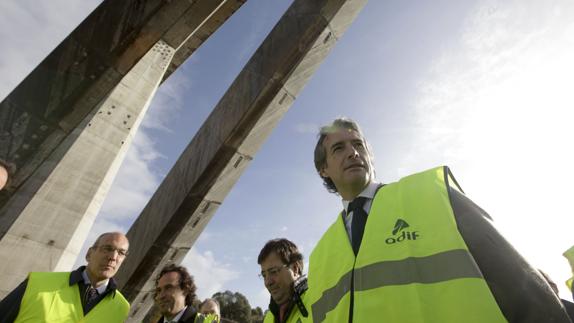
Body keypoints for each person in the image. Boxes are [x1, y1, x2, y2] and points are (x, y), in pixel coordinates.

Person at [306, 117, 572, 323]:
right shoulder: (320, 258)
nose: (352, 153)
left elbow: (518, 281)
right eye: (339, 148)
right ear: (324, 169)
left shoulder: (430, 192)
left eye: (358, 144)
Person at [0, 232, 130, 322]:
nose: (113, 257)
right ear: (89, 253)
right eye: (107, 248)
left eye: (121, 253)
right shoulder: (37, 283)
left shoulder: (122, 307)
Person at [258, 238, 308, 323]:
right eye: (264, 275)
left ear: (295, 268)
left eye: (273, 272)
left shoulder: (317, 300)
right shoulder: (269, 319)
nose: (267, 282)